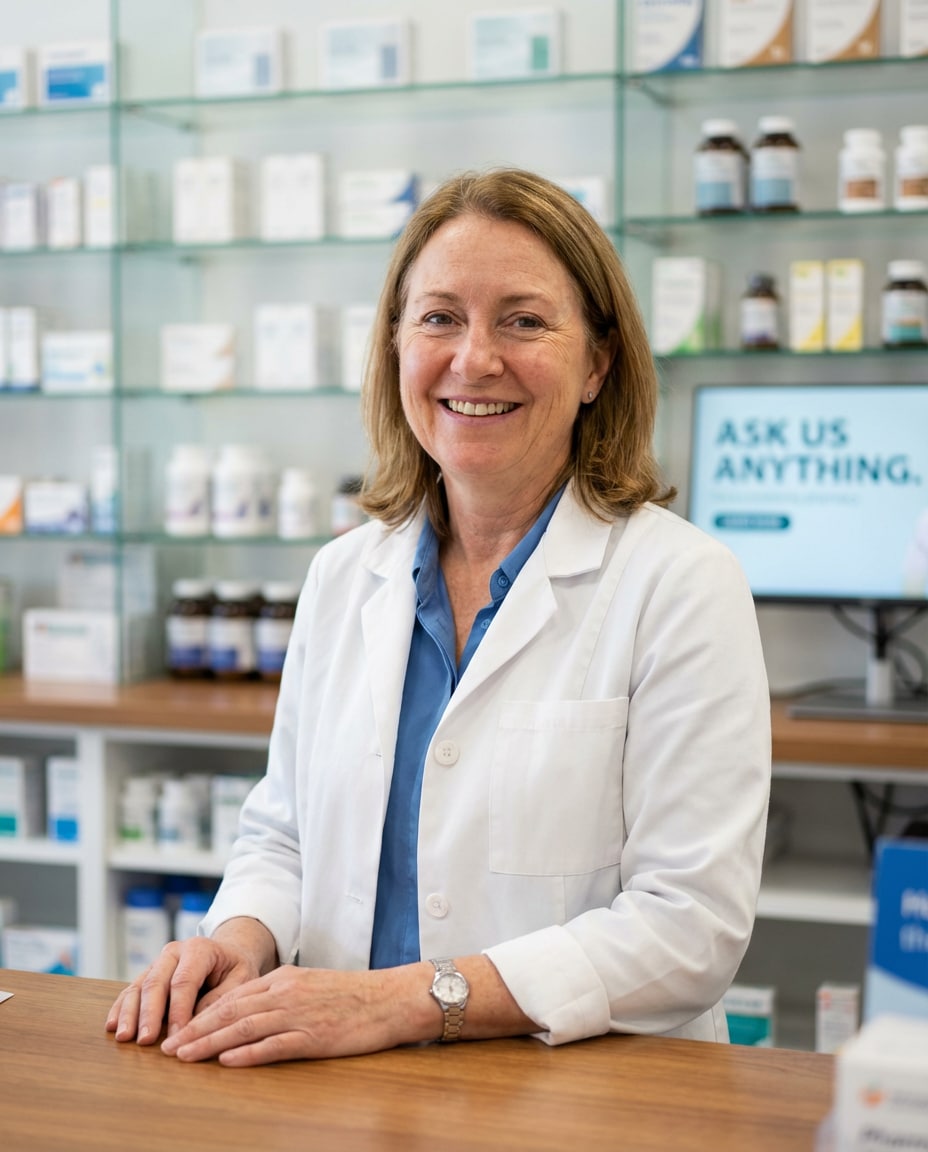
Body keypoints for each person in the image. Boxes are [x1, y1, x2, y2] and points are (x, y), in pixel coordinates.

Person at [106, 167, 771, 1067]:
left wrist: (403, 1002)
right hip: (342, 1090)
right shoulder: (345, 576)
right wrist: (242, 937)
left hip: (577, 1094)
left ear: (598, 365)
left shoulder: (681, 583)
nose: (474, 358)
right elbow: (283, 835)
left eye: (524, 320)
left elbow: (689, 930)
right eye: (439, 318)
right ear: (395, 347)